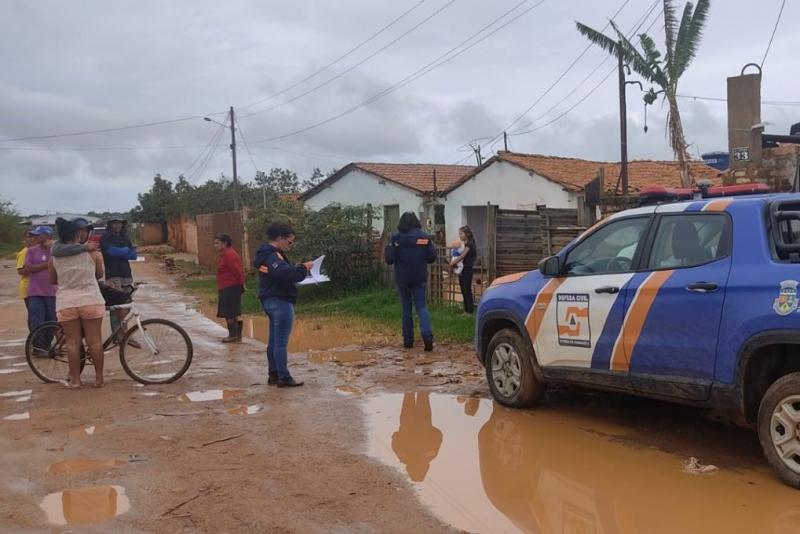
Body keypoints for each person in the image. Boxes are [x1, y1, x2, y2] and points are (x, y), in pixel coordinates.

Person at [49, 218, 106, 388]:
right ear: (77, 234)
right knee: (94, 340)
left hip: (66, 302)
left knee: (72, 342)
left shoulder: (54, 257)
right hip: (91, 299)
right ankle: (99, 379)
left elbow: (52, 280)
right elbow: (99, 274)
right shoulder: (93, 253)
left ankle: (75, 380)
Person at [254, 222, 313, 388]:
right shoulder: (272, 255)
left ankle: (273, 374)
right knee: (280, 342)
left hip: (269, 300)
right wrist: (303, 268)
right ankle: (283, 377)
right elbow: (284, 273)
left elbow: (279, 272)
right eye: (290, 242)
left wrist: (297, 269)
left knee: (274, 340)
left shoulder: (266, 253)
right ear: (280, 238)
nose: (290, 245)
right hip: (280, 301)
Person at [384, 212, 437, 351]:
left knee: (406, 307)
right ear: (416, 222)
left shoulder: (395, 238)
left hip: (402, 277)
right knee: (421, 306)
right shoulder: (424, 237)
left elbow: (388, 259)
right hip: (419, 276)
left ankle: (408, 340)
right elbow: (432, 257)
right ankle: (427, 337)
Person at [100, 217, 137, 343]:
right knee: (116, 306)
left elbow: (134, 255)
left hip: (126, 274)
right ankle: (118, 335)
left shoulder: (125, 237)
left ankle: (124, 333)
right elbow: (111, 252)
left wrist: (123, 252)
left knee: (126, 303)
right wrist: (125, 251)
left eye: (119, 223)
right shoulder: (105, 237)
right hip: (113, 275)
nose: (117, 226)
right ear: (109, 225)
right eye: (114, 223)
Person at [20, 226, 57, 333]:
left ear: (47, 236)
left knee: (52, 321)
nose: (35, 237)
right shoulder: (31, 251)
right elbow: (29, 268)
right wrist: (48, 264)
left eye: (38, 235)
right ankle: (38, 346)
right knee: (36, 321)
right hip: (34, 293)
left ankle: (46, 346)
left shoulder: (55, 250)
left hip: (52, 292)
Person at [214, 233, 245, 343]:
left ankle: (233, 336)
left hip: (230, 287)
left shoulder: (230, 255)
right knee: (232, 312)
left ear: (225, 243)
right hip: (227, 286)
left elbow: (237, 271)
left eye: (217, 243)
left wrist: (241, 284)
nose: (215, 246)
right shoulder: (226, 254)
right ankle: (236, 335)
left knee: (229, 312)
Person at [449, 225, 477, 314]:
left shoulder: (470, 244)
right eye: (459, 234)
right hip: (463, 269)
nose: (460, 236)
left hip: (467, 269)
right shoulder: (464, 244)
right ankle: (466, 310)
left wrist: (453, 262)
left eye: (461, 234)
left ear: (467, 234)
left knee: (467, 290)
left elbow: (462, 256)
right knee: (463, 289)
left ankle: (470, 311)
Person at [15, 230, 35, 324]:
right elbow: (20, 270)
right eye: (28, 237)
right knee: (34, 315)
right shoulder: (24, 252)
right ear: (24, 240)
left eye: (33, 236)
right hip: (28, 288)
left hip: (37, 288)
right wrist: (38, 268)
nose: (31, 239)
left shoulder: (38, 250)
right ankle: (34, 336)